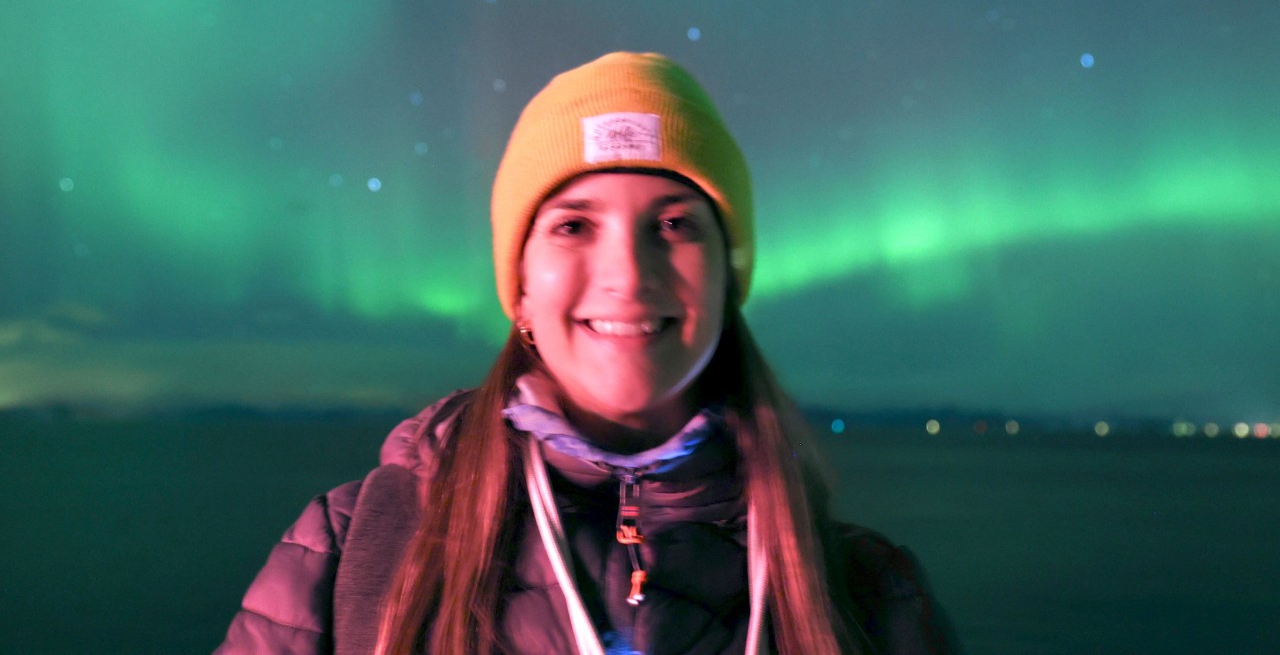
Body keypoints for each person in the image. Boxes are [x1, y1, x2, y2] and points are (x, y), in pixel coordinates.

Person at [216, 52, 963, 655]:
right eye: (574, 226)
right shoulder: (355, 552)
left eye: (674, 225)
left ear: (728, 282)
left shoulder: (873, 597)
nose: (628, 274)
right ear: (520, 288)